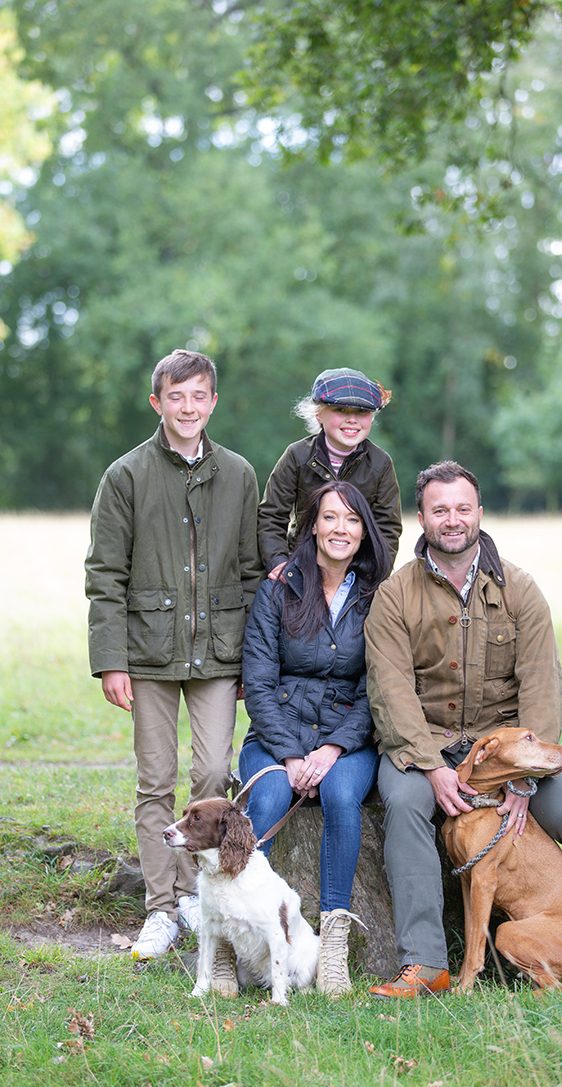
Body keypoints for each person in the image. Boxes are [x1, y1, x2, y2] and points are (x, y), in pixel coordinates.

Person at [364, 460, 562, 998]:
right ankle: (427, 964)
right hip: (428, 744)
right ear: (421, 518)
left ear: (480, 513)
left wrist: (523, 780)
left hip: (509, 746)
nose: (453, 519)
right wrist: (432, 768)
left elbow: (541, 684)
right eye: (440, 510)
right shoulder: (395, 596)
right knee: (404, 804)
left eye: (463, 508)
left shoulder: (520, 588)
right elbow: (390, 691)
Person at [85, 349, 262, 961]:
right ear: (157, 401)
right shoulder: (126, 475)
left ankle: (198, 895)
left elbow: (250, 568)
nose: (188, 407)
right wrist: (111, 658)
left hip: (218, 651)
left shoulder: (239, 473)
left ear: (213, 401)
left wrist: (249, 660)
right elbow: (105, 573)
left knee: (214, 772)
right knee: (155, 780)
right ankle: (163, 908)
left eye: (199, 396)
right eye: (176, 397)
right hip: (149, 650)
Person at [239, 480, 391, 995]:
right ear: (312, 526)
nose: (340, 529)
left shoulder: (378, 596)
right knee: (269, 797)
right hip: (275, 734)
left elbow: (380, 686)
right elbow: (257, 682)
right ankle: (234, 943)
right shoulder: (279, 587)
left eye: (352, 520)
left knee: (341, 795)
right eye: (330, 518)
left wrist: (331, 749)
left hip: (347, 738)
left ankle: (331, 946)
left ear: (364, 531)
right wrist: (288, 752)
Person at [257, 367, 402, 576]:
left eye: (362, 412)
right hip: (300, 567)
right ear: (318, 414)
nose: (352, 419)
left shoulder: (381, 464)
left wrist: (372, 574)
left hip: (357, 572)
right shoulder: (296, 456)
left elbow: (387, 529)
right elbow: (272, 515)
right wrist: (278, 562)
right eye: (340, 410)